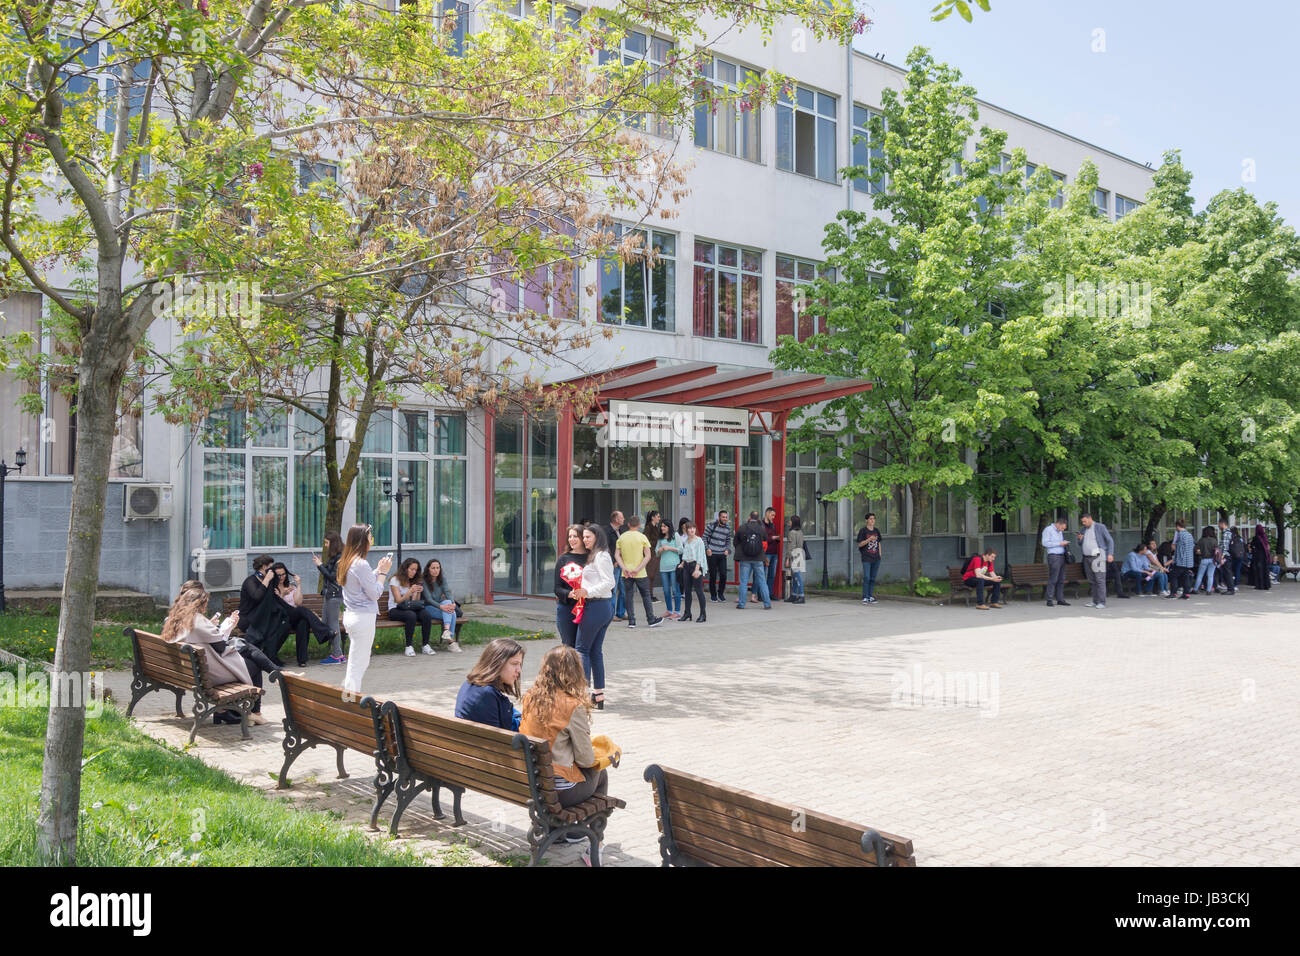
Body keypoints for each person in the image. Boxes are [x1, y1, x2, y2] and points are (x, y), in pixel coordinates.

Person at [162, 580, 285, 726]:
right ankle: (254, 712)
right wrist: (226, 628)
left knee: (247, 650)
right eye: (205, 604)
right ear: (198, 604)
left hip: (187, 673)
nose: (206, 607)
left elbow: (204, 640)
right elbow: (221, 648)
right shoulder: (197, 621)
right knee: (254, 664)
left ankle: (224, 713)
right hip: (208, 676)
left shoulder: (173, 619)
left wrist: (212, 627)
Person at [519, 646, 608, 810]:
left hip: (531, 781)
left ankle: (558, 828)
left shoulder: (530, 697)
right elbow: (586, 760)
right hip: (559, 790)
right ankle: (579, 832)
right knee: (600, 772)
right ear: (576, 672)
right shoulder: (573, 706)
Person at [339, 523, 393, 694]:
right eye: (370, 537)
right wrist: (383, 573)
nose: (372, 541)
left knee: (358, 660)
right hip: (363, 618)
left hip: (352, 615)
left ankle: (348, 693)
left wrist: (377, 570)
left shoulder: (346, 561)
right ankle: (350, 698)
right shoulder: (360, 564)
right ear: (363, 541)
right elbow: (375, 593)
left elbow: (363, 582)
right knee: (359, 662)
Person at [569, 524, 616, 709]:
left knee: (582, 650)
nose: (585, 540)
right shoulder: (596, 555)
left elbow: (609, 582)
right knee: (595, 651)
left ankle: (583, 694)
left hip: (597, 607)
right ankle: (598, 695)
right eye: (584, 537)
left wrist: (586, 592)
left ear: (597, 537)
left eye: (588, 537)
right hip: (600, 607)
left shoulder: (601, 555)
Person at [270, 561, 335, 665]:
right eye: (278, 575)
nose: (281, 577)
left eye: (283, 574)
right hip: (281, 619)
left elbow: (298, 602)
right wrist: (282, 594)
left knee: (303, 622)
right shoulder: (272, 588)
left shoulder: (291, 587)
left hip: (294, 618)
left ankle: (302, 660)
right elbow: (276, 607)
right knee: (300, 610)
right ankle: (325, 631)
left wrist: (299, 585)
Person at [454, 638, 525, 730]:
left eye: (520, 664)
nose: (519, 670)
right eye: (514, 664)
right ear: (497, 663)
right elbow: (499, 739)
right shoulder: (486, 694)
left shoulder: (469, 684)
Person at [237, 554, 290, 666]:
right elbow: (257, 596)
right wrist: (266, 579)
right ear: (264, 567)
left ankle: (270, 655)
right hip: (247, 619)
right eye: (271, 568)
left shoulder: (268, 581)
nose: (273, 571)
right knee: (269, 627)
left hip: (261, 617)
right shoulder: (250, 581)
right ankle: (264, 657)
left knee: (283, 625)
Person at [615, 515, 661, 628]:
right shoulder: (642, 537)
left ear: (628, 525)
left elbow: (617, 555)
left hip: (626, 573)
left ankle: (631, 621)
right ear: (639, 525)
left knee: (628, 597)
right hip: (640, 573)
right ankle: (651, 619)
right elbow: (648, 556)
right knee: (646, 596)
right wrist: (638, 569)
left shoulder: (622, 537)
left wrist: (624, 568)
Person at [311, 532, 347, 664]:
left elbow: (332, 577)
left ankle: (337, 655)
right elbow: (328, 572)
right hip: (328, 594)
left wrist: (319, 565)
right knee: (326, 622)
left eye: (327, 543)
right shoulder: (334, 557)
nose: (325, 546)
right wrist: (321, 564)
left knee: (333, 625)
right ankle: (339, 654)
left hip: (334, 595)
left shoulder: (341, 558)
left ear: (333, 543)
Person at [388, 557, 435, 656]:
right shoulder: (394, 580)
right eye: (412, 569)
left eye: (416, 570)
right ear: (405, 569)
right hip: (395, 609)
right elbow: (398, 600)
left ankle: (425, 645)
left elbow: (415, 602)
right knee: (411, 615)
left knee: (426, 614)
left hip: (409, 607)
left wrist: (417, 592)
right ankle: (408, 646)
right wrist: (410, 591)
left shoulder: (414, 580)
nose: (414, 572)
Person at [554, 524, 588, 648]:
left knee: (583, 646)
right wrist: (570, 594)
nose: (571, 539)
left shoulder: (592, 557)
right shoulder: (563, 559)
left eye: (575, 536)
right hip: (567, 609)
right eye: (570, 536)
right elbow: (557, 588)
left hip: (588, 608)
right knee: (568, 646)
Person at [421, 558, 462, 652]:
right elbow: (429, 599)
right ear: (428, 569)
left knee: (448, 605)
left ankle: (446, 631)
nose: (436, 570)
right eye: (433, 568)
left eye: (438, 568)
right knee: (451, 613)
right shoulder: (424, 581)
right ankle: (451, 641)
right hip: (428, 608)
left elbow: (447, 592)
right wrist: (441, 607)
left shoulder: (442, 579)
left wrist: (453, 603)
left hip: (441, 606)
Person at [734, 510, 772, 610]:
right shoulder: (761, 528)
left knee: (743, 582)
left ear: (749, 517)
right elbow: (765, 541)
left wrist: (743, 549)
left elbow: (735, 542)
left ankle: (741, 604)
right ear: (758, 518)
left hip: (744, 559)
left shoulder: (742, 527)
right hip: (758, 558)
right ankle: (767, 604)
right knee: (762, 581)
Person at [1076, 513, 1115, 609]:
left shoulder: (1100, 527)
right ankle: (1094, 600)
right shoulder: (1083, 529)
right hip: (1086, 557)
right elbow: (1080, 543)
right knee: (1091, 580)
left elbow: (1110, 540)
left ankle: (1102, 602)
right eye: (1082, 522)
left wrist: (1110, 553)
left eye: (1085, 521)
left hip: (1098, 556)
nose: (1083, 523)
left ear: (1090, 518)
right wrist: (1080, 539)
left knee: (1100, 579)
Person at [680, 520, 708, 622]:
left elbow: (700, 555)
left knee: (699, 591)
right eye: (689, 528)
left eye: (693, 528)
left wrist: (697, 569)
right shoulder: (686, 541)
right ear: (686, 530)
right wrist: (682, 563)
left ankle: (703, 614)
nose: (692, 530)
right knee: (687, 591)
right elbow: (685, 554)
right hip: (687, 566)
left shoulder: (699, 540)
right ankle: (687, 613)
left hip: (695, 566)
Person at [1040, 516, 1071, 607]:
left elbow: (1060, 542)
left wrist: (1064, 543)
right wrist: (1059, 543)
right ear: (1058, 524)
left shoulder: (1059, 531)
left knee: (1061, 579)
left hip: (1062, 556)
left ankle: (1060, 599)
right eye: (1062, 528)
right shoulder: (1048, 530)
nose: (1062, 530)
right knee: (1053, 578)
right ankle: (1049, 599)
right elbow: (1045, 543)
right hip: (1054, 556)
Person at [655, 521, 683, 620]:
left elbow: (681, 549)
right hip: (663, 567)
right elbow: (656, 552)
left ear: (669, 527)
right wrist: (660, 550)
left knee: (675, 590)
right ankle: (669, 610)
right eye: (661, 526)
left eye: (664, 526)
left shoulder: (675, 535)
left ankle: (677, 611)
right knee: (666, 590)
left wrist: (669, 548)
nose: (662, 528)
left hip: (674, 567)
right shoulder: (660, 538)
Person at [703, 509, 732, 602]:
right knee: (713, 575)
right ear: (719, 517)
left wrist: (727, 549)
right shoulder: (711, 525)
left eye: (726, 517)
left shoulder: (727, 528)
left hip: (722, 554)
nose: (725, 519)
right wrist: (707, 549)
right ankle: (713, 595)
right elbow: (704, 538)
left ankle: (720, 593)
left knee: (723, 574)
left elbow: (728, 540)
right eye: (723, 517)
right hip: (712, 554)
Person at [604, 511, 627, 620]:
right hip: (613, 565)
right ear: (616, 519)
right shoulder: (607, 531)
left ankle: (621, 613)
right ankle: (611, 614)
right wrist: (614, 561)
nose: (624, 519)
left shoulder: (622, 531)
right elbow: (606, 548)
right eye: (622, 517)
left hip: (623, 564)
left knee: (624, 590)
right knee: (613, 589)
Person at [856, 512, 883, 605]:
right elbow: (859, 544)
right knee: (867, 577)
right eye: (870, 519)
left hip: (876, 557)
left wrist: (880, 554)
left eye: (874, 519)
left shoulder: (876, 530)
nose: (872, 520)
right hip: (866, 557)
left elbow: (879, 542)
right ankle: (865, 597)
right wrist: (869, 539)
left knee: (873, 577)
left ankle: (870, 596)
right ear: (866, 520)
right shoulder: (863, 531)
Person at [1171, 520, 1195, 599]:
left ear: (1178, 526)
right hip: (1189, 561)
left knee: (1173, 576)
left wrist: (1174, 546)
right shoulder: (1189, 535)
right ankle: (1186, 594)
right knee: (1186, 577)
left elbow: (1178, 549)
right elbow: (1192, 546)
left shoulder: (1179, 535)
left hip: (1181, 561)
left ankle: (1173, 594)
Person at [1192, 525, 1219, 595]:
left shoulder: (1201, 540)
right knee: (1210, 575)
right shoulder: (1214, 540)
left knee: (1200, 575)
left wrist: (1200, 552)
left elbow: (1196, 549)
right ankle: (1209, 590)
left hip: (1203, 559)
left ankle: (1195, 589)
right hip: (1213, 560)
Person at [786, 515, 806, 604]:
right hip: (800, 554)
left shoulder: (791, 533)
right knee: (795, 576)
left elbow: (791, 546)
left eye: (790, 521)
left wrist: (787, 557)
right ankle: (794, 595)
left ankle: (801, 595)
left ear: (793, 522)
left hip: (794, 555)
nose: (789, 522)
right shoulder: (800, 532)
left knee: (797, 576)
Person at [763, 507, 781, 601]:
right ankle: (762, 594)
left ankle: (770, 594)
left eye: (774, 515)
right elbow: (763, 539)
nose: (773, 517)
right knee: (763, 574)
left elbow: (773, 537)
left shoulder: (772, 525)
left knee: (771, 575)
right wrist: (772, 538)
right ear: (767, 513)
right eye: (772, 515)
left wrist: (777, 539)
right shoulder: (761, 525)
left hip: (774, 552)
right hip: (766, 553)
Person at [644, 510, 662, 603]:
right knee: (650, 575)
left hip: (655, 554)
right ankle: (648, 596)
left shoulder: (656, 527)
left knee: (652, 576)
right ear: (653, 517)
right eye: (658, 516)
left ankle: (650, 595)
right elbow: (646, 542)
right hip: (651, 554)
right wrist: (657, 543)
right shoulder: (648, 527)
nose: (659, 518)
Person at [1218, 519, 1239, 594]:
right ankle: (1230, 588)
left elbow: (1225, 547)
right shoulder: (1228, 533)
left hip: (1226, 556)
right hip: (1228, 555)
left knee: (1227, 572)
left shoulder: (1226, 533)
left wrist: (1222, 557)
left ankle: (1230, 589)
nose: (1218, 526)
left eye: (1219, 524)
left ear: (1222, 524)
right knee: (1227, 572)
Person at [1248, 524, 1272, 590]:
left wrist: (1252, 548)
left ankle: (1259, 585)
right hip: (1264, 556)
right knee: (1264, 570)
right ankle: (1266, 585)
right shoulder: (1264, 537)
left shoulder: (1256, 538)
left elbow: (1252, 545)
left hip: (1258, 556)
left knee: (1259, 570)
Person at [1228, 525, 1246, 593]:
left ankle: (1230, 583)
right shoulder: (1240, 538)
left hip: (1233, 556)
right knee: (1237, 570)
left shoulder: (1231, 537)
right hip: (1240, 556)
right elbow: (1244, 546)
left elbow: (1229, 546)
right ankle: (1236, 585)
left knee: (1230, 570)